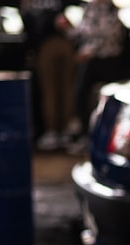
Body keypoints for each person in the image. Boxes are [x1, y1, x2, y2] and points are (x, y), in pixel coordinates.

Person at [61, 0, 126, 150]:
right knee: (79, 95)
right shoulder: (89, 8)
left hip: (109, 59)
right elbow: (82, 32)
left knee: (112, 98)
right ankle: (86, 135)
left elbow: (110, 34)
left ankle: (111, 135)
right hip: (90, 62)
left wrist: (90, 51)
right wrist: (67, 28)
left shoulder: (111, 10)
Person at [21, 0, 77, 150]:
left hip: (46, 46)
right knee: (66, 90)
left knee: (49, 91)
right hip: (65, 44)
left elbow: (28, 25)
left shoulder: (31, 6)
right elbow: (69, 23)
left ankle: (52, 132)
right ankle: (64, 131)